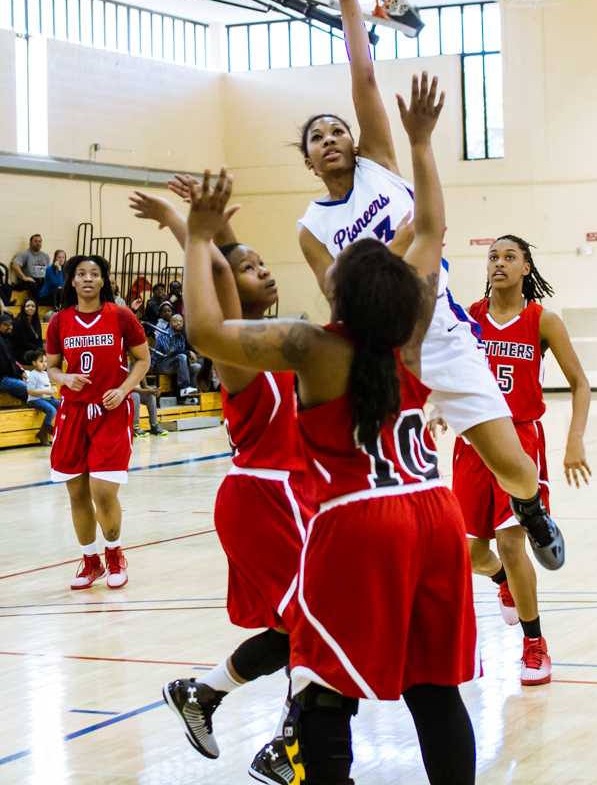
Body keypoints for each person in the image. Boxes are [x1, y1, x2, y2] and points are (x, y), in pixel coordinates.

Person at [180, 76, 479, 785]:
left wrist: (197, 238)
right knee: (434, 689)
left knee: (321, 685)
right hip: (435, 514)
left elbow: (204, 330)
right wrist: (422, 145)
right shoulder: (410, 334)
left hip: (359, 524)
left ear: (339, 289)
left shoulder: (312, 346)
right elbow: (431, 227)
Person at [299, 0, 565, 567]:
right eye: (317, 136)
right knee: (405, 495)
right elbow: (340, 293)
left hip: (443, 331)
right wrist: (400, 241)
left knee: (515, 468)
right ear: (307, 160)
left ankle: (530, 509)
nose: (332, 137)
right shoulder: (310, 226)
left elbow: (363, 74)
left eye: (338, 129)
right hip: (385, 353)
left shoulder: (381, 164)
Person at [129, 186, 307, 778]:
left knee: (297, 629)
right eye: (249, 268)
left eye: (264, 264)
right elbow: (216, 278)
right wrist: (187, 228)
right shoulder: (237, 352)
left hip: (293, 496)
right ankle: (289, 746)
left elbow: (223, 269)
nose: (262, 272)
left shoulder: (281, 339)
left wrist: (204, 230)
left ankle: (202, 694)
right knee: (313, 624)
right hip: (262, 497)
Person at [443, 235, 591, 688]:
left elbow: (580, 384)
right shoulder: (467, 317)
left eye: (510, 257)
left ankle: (534, 643)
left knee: (512, 542)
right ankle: (504, 580)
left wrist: (574, 441)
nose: (499, 263)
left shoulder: (542, 320)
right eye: (493, 257)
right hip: (472, 444)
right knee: (471, 552)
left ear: (527, 267)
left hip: (521, 441)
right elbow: (445, 369)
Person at [46, 254, 150, 591]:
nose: (88, 278)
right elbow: (51, 367)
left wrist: (123, 390)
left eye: (94, 273)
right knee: (77, 491)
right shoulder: (60, 321)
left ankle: (114, 553)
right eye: (81, 274)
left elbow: (143, 359)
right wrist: (65, 376)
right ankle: (91, 562)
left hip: (109, 411)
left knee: (102, 491)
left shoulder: (120, 315)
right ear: (72, 281)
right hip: (72, 413)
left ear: (103, 280)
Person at [150, 311, 199, 400]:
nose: (179, 323)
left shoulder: (181, 337)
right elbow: (169, 352)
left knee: (196, 366)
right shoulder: (165, 334)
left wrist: (188, 356)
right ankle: (184, 388)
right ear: (171, 323)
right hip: (160, 364)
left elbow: (180, 354)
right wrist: (187, 352)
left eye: (181, 321)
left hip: (173, 364)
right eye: (176, 321)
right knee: (182, 356)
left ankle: (189, 396)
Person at [24, 348, 60, 444]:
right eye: (41, 362)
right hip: (35, 400)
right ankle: (45, 431)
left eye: (46, 361)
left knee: (61, 405)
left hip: (46, 398)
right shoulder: (33, 375)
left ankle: (54, 429)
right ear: (34, 363)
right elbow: (30, 391)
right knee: (51, 410)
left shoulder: (45, 373)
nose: (44, 364)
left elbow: (47, 386)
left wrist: (52, 389)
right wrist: (46, 391)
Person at [11, 234, 49, 299]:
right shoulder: (24, 253)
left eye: (40, 241)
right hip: (27, 281)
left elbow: (48, 270)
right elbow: (15, 265)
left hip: (41, 280)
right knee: (32, 284)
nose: (38, 243)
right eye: (36, 241)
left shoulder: (45, 256)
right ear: (30, 243)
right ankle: (38, 302)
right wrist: (24, 277)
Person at [11, 298, 43, 363]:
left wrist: (40, 348)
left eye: (33, 306)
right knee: (37, 356)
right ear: (23, 308)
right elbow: (23, 342)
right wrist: (37, 349)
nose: (30, 308)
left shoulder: (36, 321)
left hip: (35, 350)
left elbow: (40, 339)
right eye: (27, 306)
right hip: (22, 352)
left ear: (36, 308)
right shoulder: (18, 321)